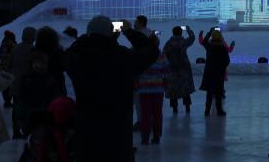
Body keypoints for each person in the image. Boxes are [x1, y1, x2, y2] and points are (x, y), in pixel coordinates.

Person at [65, 16, 157, 161]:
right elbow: (151, 50)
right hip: (119, 135)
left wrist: (88, 37)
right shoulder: (124, 57)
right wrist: (129, 31)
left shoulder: (77, 58)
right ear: (111, 32)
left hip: (87, 134)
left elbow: (71, 51)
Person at [18, 96, 77, 162]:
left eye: (36, 133)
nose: (36, 136)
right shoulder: (42, 134)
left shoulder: (60, 130)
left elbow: (62, 150)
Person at [136, 34, 170, 145]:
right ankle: (156, 136)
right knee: (157, 113)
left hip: (143, 89)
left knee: (145, 113)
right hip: (158, 89)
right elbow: (167, 72)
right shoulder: (162, 57)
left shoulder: (140, 56)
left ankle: (145, 136)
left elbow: (136, 72)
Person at [19, 52, 59, 134]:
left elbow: (55, 98)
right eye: (37, 63)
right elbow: (22, 99)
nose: (40, 66)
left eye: (43, 63)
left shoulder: (50, 79)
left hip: (45, 114)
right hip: (32, 114)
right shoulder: (27, 79)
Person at [162, 25, 196, 114]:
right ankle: (187, 107)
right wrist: (188, 30)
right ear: (181, 33)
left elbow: (163, 54)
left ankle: (174, 108)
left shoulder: (168, 43)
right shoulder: (183, 42)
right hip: (184, 67)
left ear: (173, 33)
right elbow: (192, 38)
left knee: (173, 88)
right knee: (185, 88)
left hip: (172, 68)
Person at [10, 26, 37, 138]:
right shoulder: (33, 50)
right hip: (28, 84)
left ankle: (16, 131)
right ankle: (26, 129)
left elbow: (10, 64)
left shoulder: (16, 48)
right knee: (27, 107)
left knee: (16, 108)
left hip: (15, 82)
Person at [201, 29, 231, 116]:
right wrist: (222, 67)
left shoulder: (209, 46)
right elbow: (227, 61)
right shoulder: (222, 47)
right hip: (219, 73)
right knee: (219, 92)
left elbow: (204, 42)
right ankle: (219, 110)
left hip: (209, 72)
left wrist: (209, 32)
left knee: (209, 92)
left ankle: (207, 110)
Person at [34, 27, 67, 97]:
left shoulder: (34, 52)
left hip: (38, 88)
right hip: (57, 86)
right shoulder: (59, 52)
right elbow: (65, 66)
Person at [0, 31, 16, 108]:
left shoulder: (3, 43)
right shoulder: (12, 44)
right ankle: (10, 101)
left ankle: (7, 101)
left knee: (6, 85)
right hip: (11, 67)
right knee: (12, 84)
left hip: (4, 67)